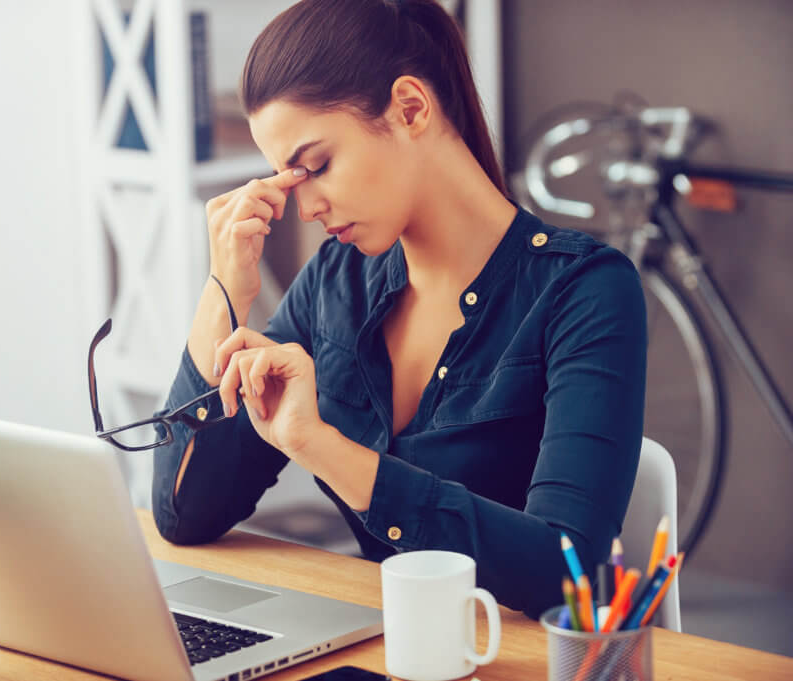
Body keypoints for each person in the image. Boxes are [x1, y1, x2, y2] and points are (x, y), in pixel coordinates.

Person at [151, 0, 646, 619]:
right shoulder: (336, 281)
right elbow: (184, 515)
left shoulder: (584, 290)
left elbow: (563, 568)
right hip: (387, 646)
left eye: (318, 165)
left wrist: (320, 446)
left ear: (411, 108)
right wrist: (227, 287)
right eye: (289, 178)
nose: (306, 208)